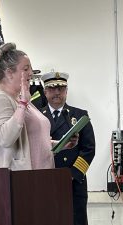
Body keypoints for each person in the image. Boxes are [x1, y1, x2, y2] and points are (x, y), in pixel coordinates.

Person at [0, 43, 77, 170]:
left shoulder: (20, 98)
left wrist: (62, 144)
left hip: (37, 178)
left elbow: (34, 142)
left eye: (30, 68)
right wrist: (23, 104)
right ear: (9, 73)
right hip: (12, 181)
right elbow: (5, 139)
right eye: (25, 69)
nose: (31, 73)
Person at [41, 71, 95, 225]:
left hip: (73, 183)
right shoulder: (38, 117)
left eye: (61, 89)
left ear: (66, 91)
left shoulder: (79, 115)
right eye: (52, 89)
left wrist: (73, 173)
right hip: (46, 180)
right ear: (45, 92)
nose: (57, 92)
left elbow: (89, 149)